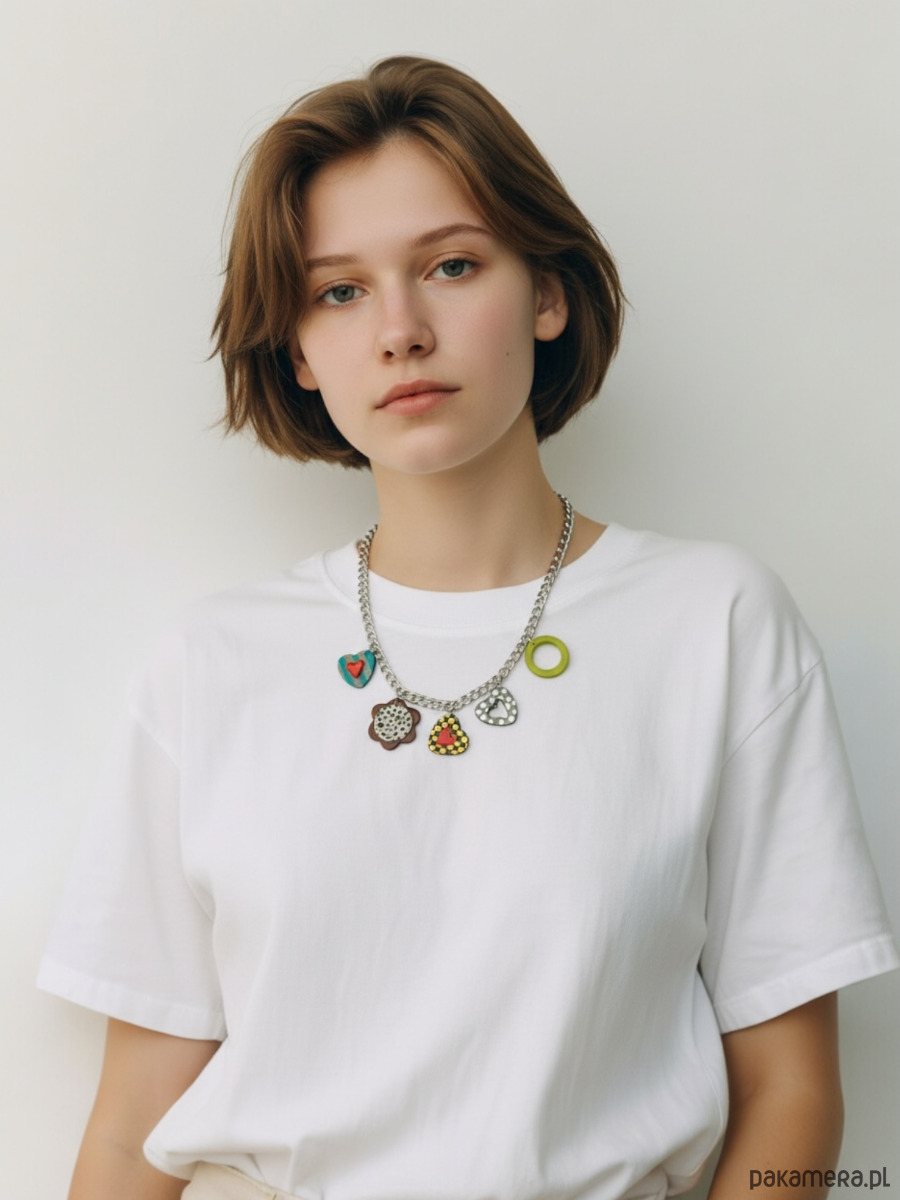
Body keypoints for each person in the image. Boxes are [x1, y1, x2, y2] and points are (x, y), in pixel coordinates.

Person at [39, 56, 897, 1200]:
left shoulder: (717, 627)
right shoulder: (209, 668)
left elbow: (790, 1090)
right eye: (339, 292)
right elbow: (127, 1131)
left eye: (451, 266)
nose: (400, 330)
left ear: (547, 294)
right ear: (298, 352)